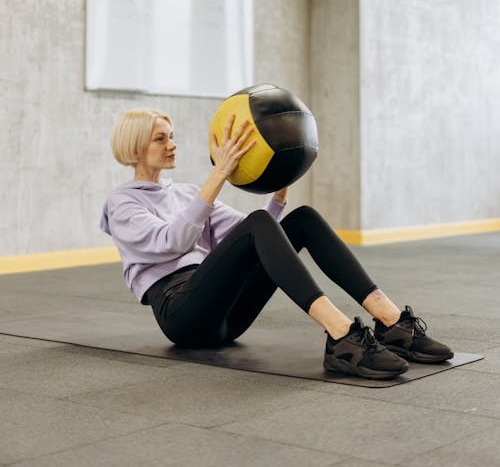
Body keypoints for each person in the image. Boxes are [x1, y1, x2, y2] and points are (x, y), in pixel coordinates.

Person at [101, 107, 453, 380]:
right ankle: (341, 334)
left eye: (172, 136)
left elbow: (254, 233)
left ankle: (391, 323)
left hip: (229, 317)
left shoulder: (189, 193)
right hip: (183, 313)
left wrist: (278, 196)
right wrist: (218, 175)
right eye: (160, 139)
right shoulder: (123, 203)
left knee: (303, 219)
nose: (172, 144)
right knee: (259, 224)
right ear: (135, 147)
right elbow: (172, 241)